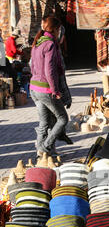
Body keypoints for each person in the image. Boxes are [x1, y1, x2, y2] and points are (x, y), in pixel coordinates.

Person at [30, 16, 69, 157]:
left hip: (34, 87)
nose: (59, 33)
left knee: (44, 122)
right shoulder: (50, 45)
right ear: (56, 29)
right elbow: (50, 70)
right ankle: (45, 148)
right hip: (45, 89)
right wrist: (55, 90)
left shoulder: (38, 43)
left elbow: (32, 66)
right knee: (63, 119)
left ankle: (41, 154)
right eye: (59, 30)